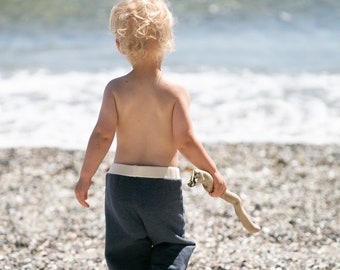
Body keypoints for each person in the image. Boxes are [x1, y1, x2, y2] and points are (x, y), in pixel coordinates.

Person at [74, 0, 227, 269]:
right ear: (169, 39)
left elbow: (102, 135)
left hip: (120, 185)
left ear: (120, 45)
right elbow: (185, 140)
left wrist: (85, 177)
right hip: (160, 187)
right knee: (171, 245)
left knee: (124, 254)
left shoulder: (115, 89)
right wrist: (212, 171)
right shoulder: (174, 92)